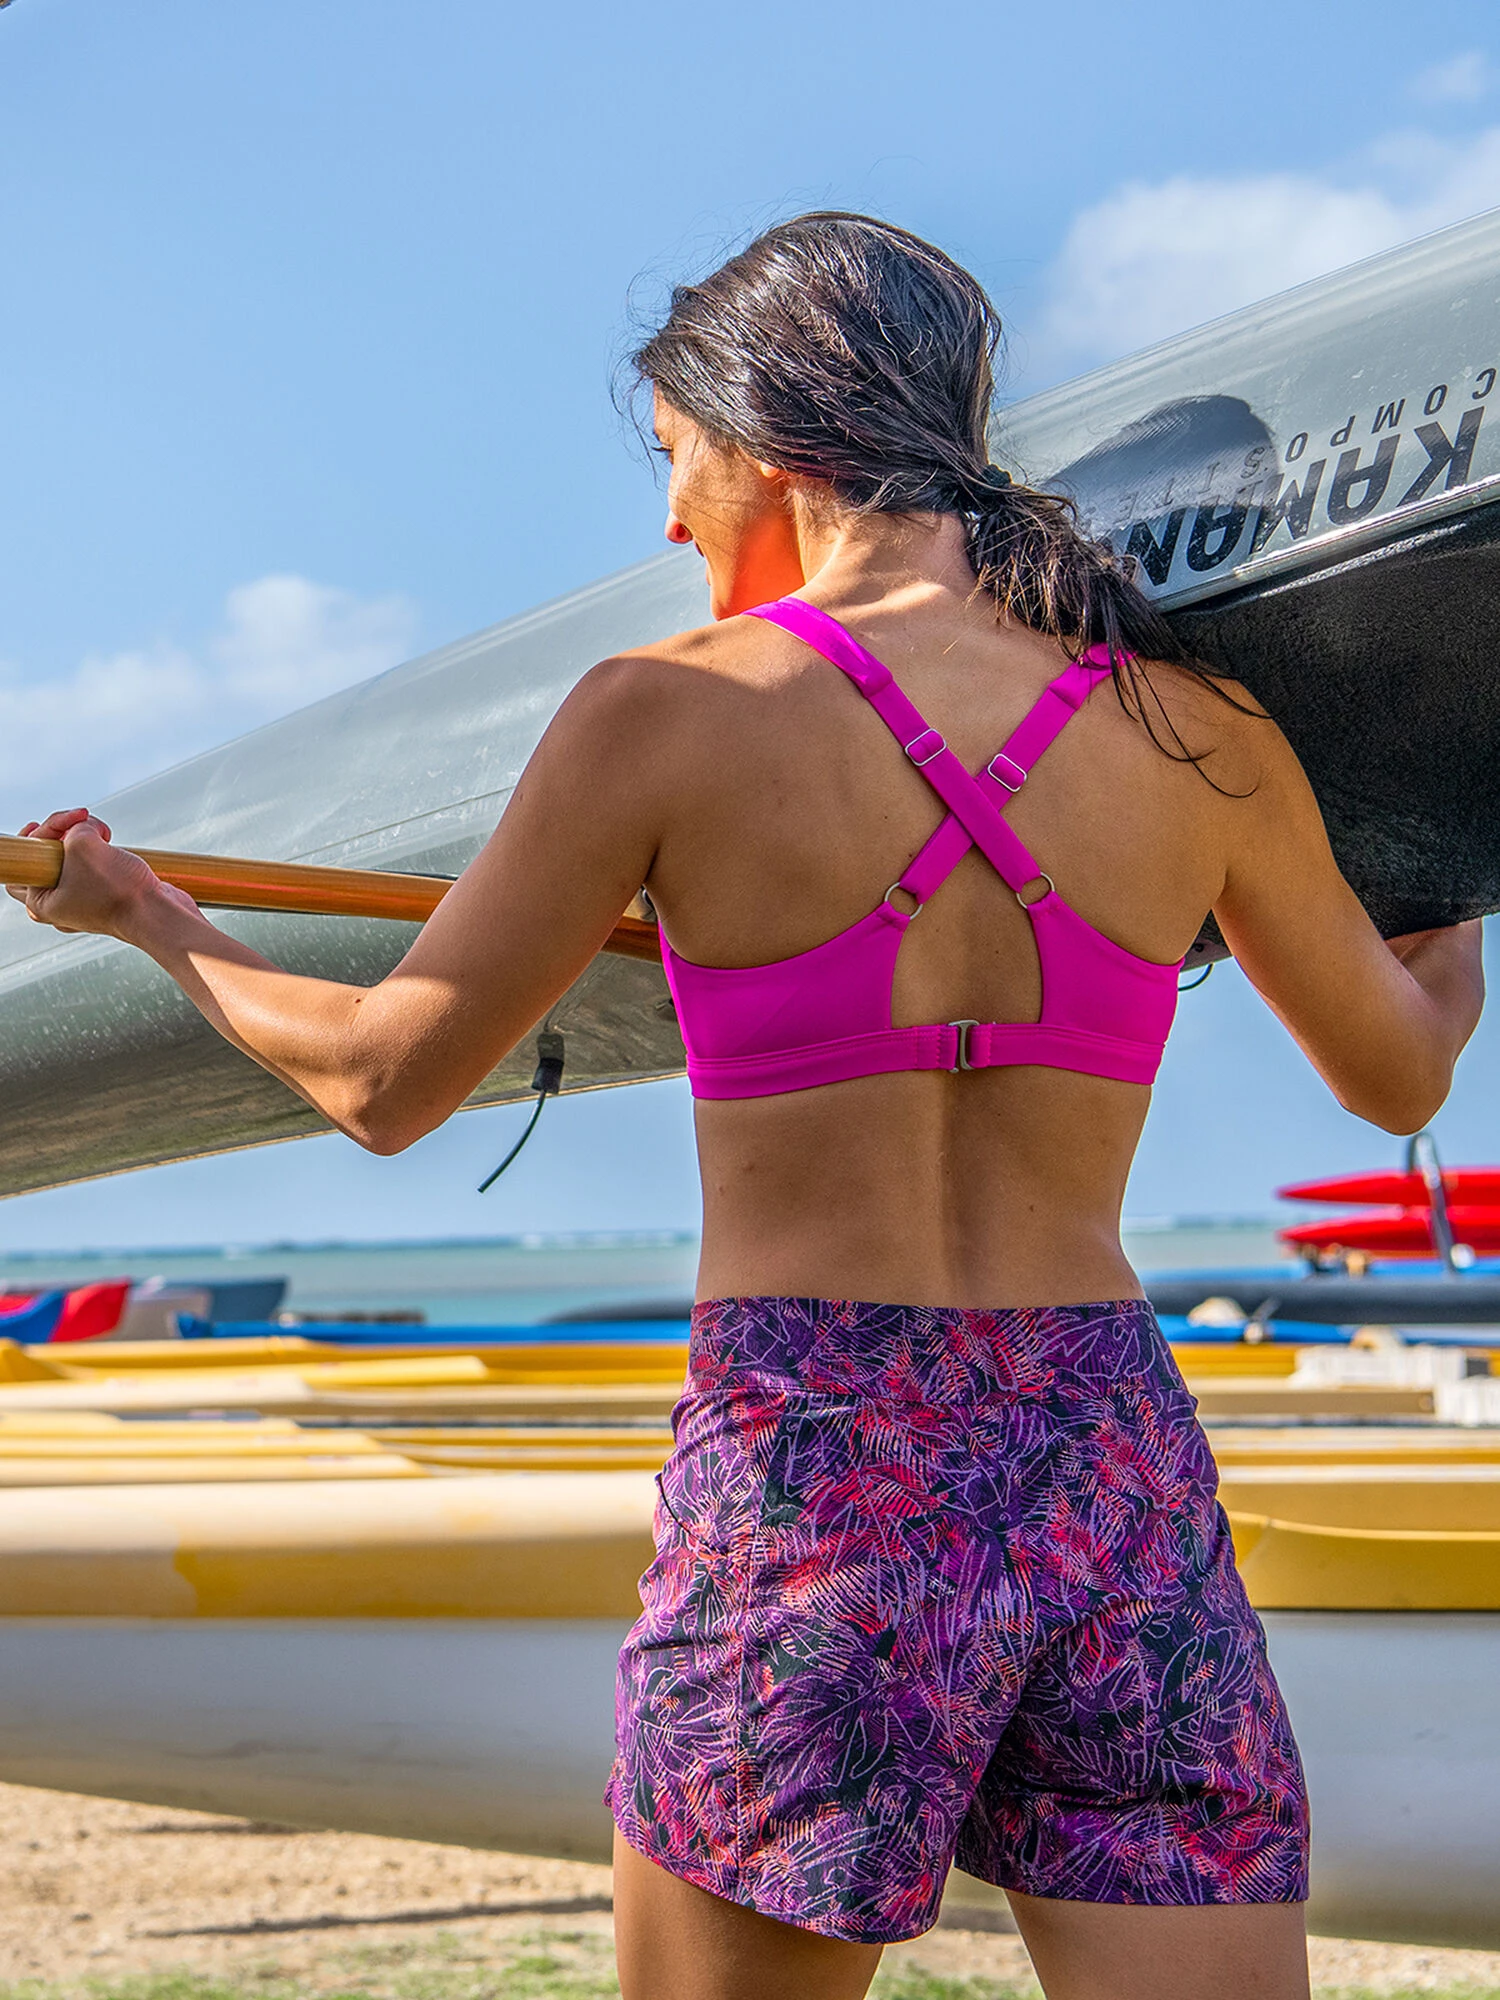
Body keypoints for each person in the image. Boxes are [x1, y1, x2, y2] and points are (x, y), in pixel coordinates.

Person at [13, 213, 1483, 2000]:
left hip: (821, 1469)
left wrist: (151, 920)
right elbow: (1402, 1070)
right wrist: (1447, 873)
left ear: (767, 440)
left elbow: (383, 1079)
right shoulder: (1206, 738)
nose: (668, 521)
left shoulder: (664, 716)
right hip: (1111, 1465)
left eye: (674, 457)